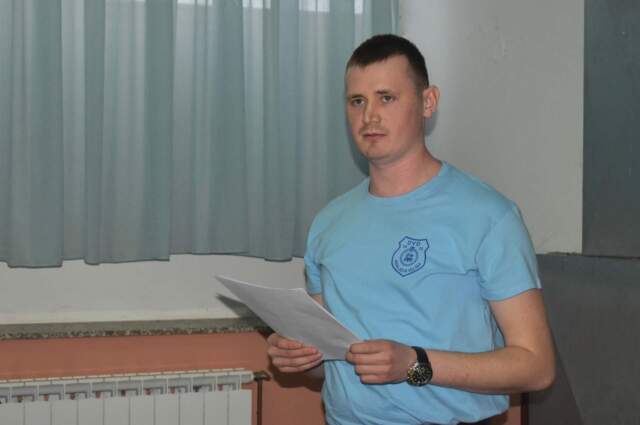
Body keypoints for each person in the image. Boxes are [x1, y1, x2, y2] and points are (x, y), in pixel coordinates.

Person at [267, 34, 555, 425]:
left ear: (428, 102)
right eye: (357, 101)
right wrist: (302, 356)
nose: (369, 116)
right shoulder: (328, 223)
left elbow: (536, 366)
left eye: (386, 98)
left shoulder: (489, 216)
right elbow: (328, 362)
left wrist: (414, 364)